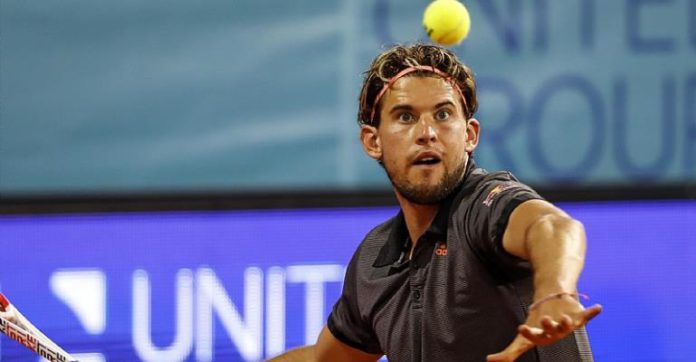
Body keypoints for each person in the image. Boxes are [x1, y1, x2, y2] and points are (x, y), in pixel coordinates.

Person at [270, 44, 601, 362]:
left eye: (443, 114)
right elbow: (325, 358)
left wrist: (555, 292)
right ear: (373, 141)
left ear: (470, 135)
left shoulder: (485, 205)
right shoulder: (374, 261)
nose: (427, 132)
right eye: (405, 117)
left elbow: (553, 226)